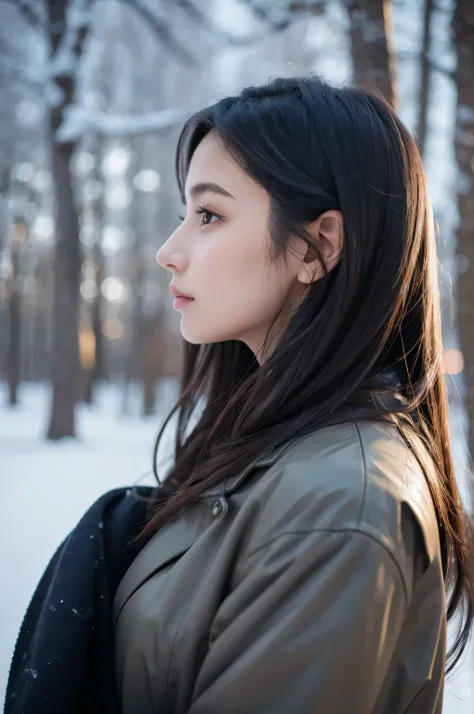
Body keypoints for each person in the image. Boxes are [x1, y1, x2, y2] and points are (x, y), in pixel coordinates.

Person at [5, 76, 473, 714]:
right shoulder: (279, 450)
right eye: (184, 214)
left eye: (209, 215)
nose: (171, 252)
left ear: (317, 247)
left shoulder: (340, 505)